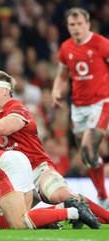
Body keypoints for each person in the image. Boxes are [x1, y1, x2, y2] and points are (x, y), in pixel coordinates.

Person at [0, 68, 105, 229]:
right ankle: (54, 215)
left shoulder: (18, 108)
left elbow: (4, 127)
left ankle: (94, 213)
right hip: (12, 178)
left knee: (59, 195)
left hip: (38, 168)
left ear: (6, 91)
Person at [51, 7, 109, 209]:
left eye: (79, 24)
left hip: (101, 103)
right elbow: (62, 75)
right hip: (78, 106)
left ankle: (102, 197)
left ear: (88, 24)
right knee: (87, 156)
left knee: (87, 147)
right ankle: (103, 194)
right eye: (71, 25)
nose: (75, 28)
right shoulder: (66, 48)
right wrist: (56, 91)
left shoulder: (101, 44)